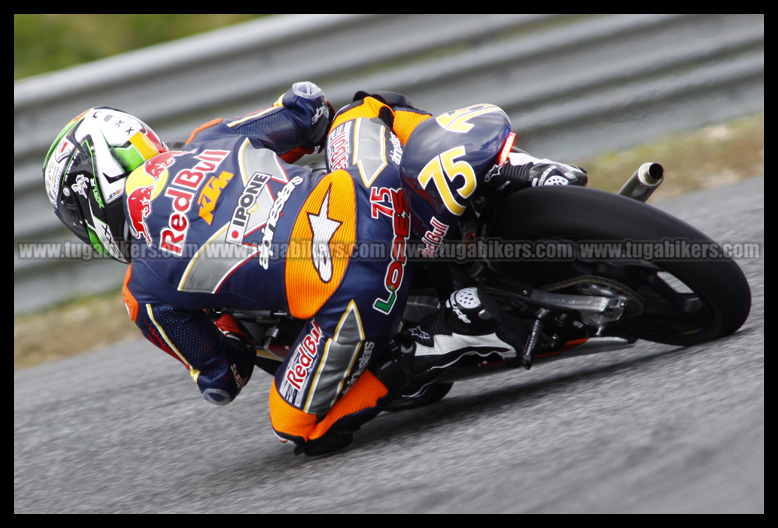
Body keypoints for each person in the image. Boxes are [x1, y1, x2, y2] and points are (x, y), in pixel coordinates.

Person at [43, 82, 587, 456]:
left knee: (297, 426)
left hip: (354, 290)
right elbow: (310, 109)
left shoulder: (144, 289)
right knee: (369, 108)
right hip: (371, 196)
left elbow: (223, 379)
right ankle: (521, 168)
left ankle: (448, 339)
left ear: (90, 204)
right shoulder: (210, 136)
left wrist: (224, 325)